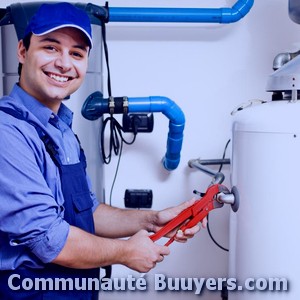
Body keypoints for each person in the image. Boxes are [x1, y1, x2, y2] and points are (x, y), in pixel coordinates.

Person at [0, 2, 201, 299]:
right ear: (22, 51)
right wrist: (125, 252)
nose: (64, 64)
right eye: (51, 47)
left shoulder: (63, 128)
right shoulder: (8, 132)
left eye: (77, 53)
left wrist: (153, 219)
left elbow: (88, 213)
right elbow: (49, 239)